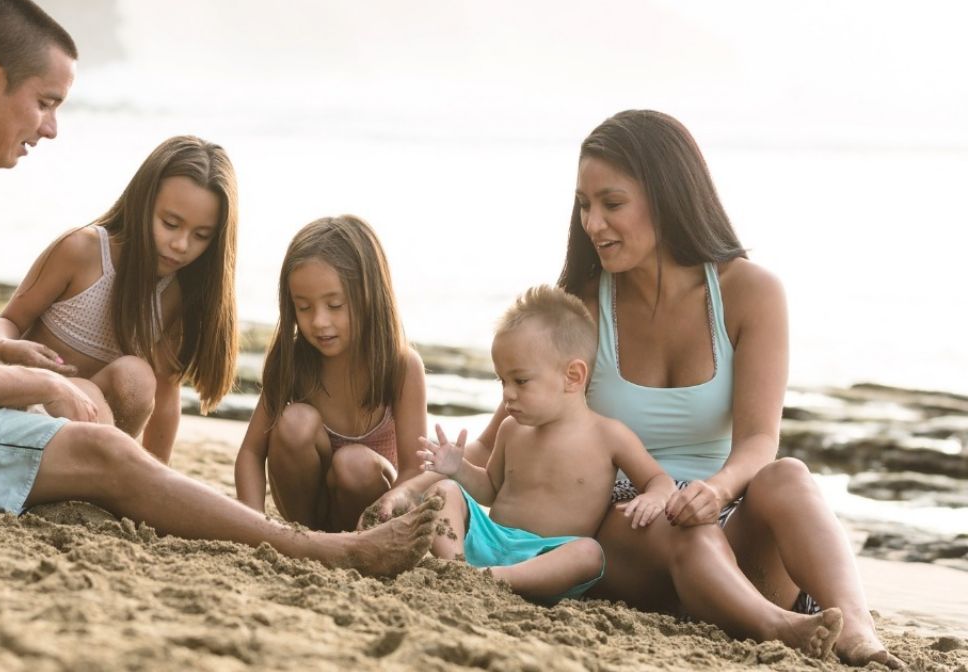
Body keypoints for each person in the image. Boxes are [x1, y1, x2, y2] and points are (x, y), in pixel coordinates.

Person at [0, 0, 438, 578]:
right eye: (44, 103)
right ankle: (331, 552)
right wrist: (47, 384)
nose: (51, 128)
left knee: (95, 442)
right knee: (102, 451)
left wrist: (30, 399)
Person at [368, 110, 900, 666]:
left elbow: (759, 441)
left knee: (788, 475)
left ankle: (857, 631)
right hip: (634, 535)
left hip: (728, 522)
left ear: (668, 197)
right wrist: (409, 488)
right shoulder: (580, 304)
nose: (593, 223)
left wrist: (715, 491)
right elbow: (499, 433)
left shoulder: (752, 292)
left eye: (611, 204)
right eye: (583, 205)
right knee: (675, 526)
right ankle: (780, 629)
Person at [0, 135, 238, 463]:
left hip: (95, 421)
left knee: (136, 374)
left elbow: (165, 396)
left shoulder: (175, 293)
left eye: (201, 236)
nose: (181, 244)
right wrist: (8, 347)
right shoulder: (82, 251)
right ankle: (108, 468)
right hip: (30, 405)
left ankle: (111, 471)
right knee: (85, 391)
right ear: (142, 203)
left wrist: (157, 475)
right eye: (170, 224)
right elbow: (7, 323)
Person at [420, 285, 674, 604]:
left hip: (547, 555)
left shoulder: (609, 435)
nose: (507, 394)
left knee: (589, 553)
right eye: (502, 381)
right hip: (490, 540)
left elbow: (657, 478)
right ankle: (453, 565)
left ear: (573, 376)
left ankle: (494, 580)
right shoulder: (511, 429)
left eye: (520, 381)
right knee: (443, 491)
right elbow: (489, 489)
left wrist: (657, 495)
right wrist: (458, 469)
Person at [234, 216, 427, 531]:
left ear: (370, 295)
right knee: (295, 421)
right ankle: (307, 538)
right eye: (304, 307)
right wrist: (253, 525)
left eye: (335, 305)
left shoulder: (402, 366)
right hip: (304, 518)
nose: (319, 322)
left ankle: (346, 540)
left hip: (366, 519)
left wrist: (385, 521)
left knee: (355, 463)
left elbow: (415, 471)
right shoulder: (294, 360)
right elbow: (251, 453)